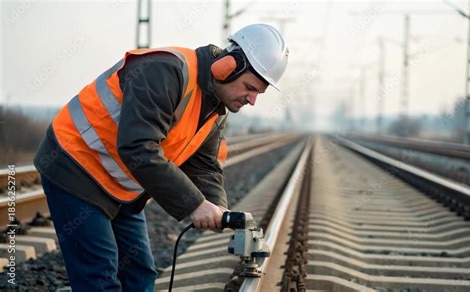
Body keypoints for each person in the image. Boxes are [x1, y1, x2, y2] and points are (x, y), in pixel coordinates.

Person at [33, 23, 289, 291]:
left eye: (258, 93)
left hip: (121, 188)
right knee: (99, 278)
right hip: (75, 166)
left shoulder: (214, 108)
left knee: (140, 276)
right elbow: (138, 147)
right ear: (228, 66)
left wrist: (217, 208)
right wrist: (194, 205)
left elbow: (204, 167)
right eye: (250, 88)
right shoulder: (165, 71)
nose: (252, 100)